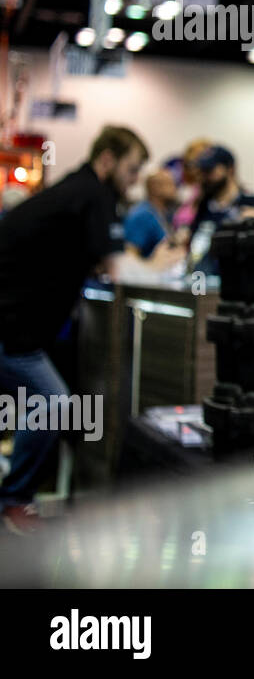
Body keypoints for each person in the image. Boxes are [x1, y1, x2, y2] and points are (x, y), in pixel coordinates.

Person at [0, 125, 147, 534]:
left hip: (17, 324)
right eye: (132, 168)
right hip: (13, 327)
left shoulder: (75, 191)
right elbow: (116, 268)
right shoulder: (94, 195)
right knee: (52, 403)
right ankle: (14, 500)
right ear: (107, 160)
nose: (135, 179)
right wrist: (161, 263)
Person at [189, 146, 254, 275]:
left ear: (230, 169)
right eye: (202, 171)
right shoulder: (204, 206)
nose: (205, 176)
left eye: (210, 170)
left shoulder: (252, 204)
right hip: (204, 283)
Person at [122, 170, 184, 262]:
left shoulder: (164, 213)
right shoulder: (142, 216)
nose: (174, 188)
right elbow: (130, 254)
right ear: (155, 187)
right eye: (170, 184)